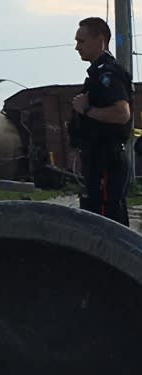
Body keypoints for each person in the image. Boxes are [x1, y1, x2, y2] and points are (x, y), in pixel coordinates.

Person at [71, 17, 133, 226]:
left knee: (105, 219)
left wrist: (87, 109)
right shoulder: (96, 73)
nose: (77, 47)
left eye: (82, 41)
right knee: (94, 212)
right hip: (95, 156)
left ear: (100, 41)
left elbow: (121, 114)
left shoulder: (109, 73)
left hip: (107, 158)